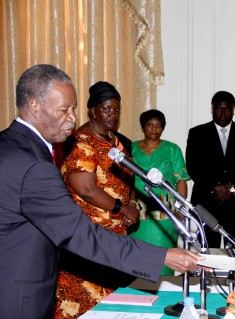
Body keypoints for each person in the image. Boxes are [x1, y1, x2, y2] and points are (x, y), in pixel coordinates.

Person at [0, 64, 202, 319]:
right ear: (35, 106)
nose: (73, 118)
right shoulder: (34, 165)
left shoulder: (8, 144)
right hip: (17, 297)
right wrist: (162, 256)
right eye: (64, 110)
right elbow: (78, 233)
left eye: (73, 108)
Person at [53, 81, 141, 318]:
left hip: (113, 237)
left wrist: (131, 205)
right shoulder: (81, 141)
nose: (113, 114)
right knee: (83, 302)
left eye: (116, 109)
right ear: (92, 111)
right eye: (106, 109)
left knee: (112, 304)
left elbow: (127, 181)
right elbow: (86, 189)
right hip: (87, 238)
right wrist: (121, 208)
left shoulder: (116, 141)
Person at [186, 91, 235, 248]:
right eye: (219, 108)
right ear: (212, 109)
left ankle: (233, 274)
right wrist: (214, 187)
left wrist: (231, 188)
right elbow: (193, 166)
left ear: (233, 110)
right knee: (207, 251)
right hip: (207, 202)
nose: (223, 113)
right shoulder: (197, 133)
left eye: (227, 109)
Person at [129, 109, 190, 275]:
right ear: (143, 127)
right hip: (137, 211)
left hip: (165, 212)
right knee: (137, 260)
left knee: (164, 261)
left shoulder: (172, 149)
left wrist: (180, 207)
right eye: (150, 125)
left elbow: (181, 181)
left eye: (158, 125)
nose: (154, 129)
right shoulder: (131, 148)